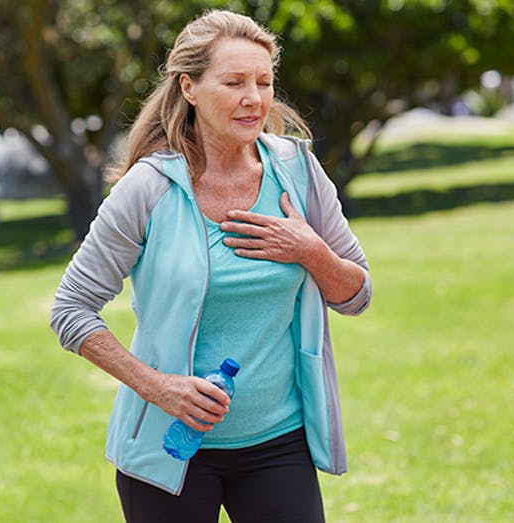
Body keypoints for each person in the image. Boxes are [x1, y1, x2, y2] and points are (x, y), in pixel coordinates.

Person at [50, 9, 372, 523]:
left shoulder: (298, 172)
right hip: (169, 450)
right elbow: (71, 310)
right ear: (190, 88)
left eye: (264, 82)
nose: (255, 98)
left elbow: (356, 294)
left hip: (277, 445)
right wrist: (159, 387)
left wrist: (309, 250)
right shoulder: (148, 188)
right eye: (234, 82)